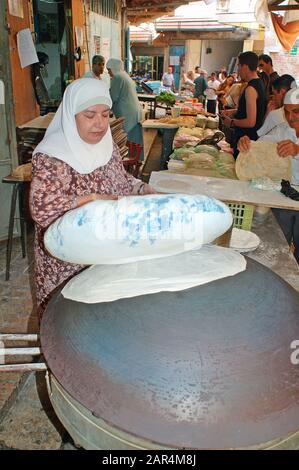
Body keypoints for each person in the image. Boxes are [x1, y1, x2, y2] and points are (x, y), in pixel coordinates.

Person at [29, 78, 155, 315]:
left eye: (105, 115)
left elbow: (121, 180)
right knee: (67, 322)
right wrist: (91, 199)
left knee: (101, 317)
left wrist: (141, 189)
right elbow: (42, 209)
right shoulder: (53, 156)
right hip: (67, 262)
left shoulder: (108, 146)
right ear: (71, 115)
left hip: (105, 251)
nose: (99, 124)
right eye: (89, 115)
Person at [238, 85, 299, 263]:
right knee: (280, 242)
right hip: (284, 197)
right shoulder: (282, 130)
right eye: (287, 112)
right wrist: (246, 144)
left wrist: (297, 150)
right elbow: (259, 145)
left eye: (296, 112)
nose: (290, 117)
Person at [221, 51, 266, 158]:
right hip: (247, 139)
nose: (238, 70)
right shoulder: (258, 84)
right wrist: (232, 112)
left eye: (239, 66)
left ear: (245, 66)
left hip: (246, 141)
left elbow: (250, 122)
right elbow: (249, 110)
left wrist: (231, 122)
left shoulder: (251, 89)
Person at [106, 58, 143, 152]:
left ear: (113, 68)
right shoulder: (124, 75)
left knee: (129, 140)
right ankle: (135, 161)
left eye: (109, 70)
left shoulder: (117, 77)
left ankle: (130, 162)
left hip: (128, 113)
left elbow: (112, 97)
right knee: (134, 139)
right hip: (132, 112)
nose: (108, 72)